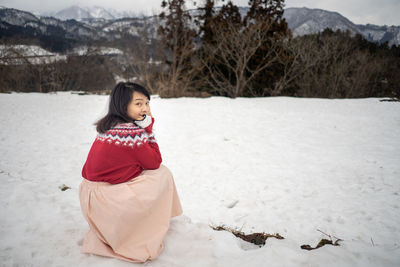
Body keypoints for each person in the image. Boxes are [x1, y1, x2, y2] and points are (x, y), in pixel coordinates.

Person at [79, 82, 182, 263]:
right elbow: (155, 162)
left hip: (90, 197)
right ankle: (149, 223)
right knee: (162, 174)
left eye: (147, 103)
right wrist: (148, 130)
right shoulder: (131, 132)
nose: (145, 108)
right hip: (105, 201)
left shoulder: (109, 126)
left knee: (151, 173)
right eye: (138, 103)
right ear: (122, 105)